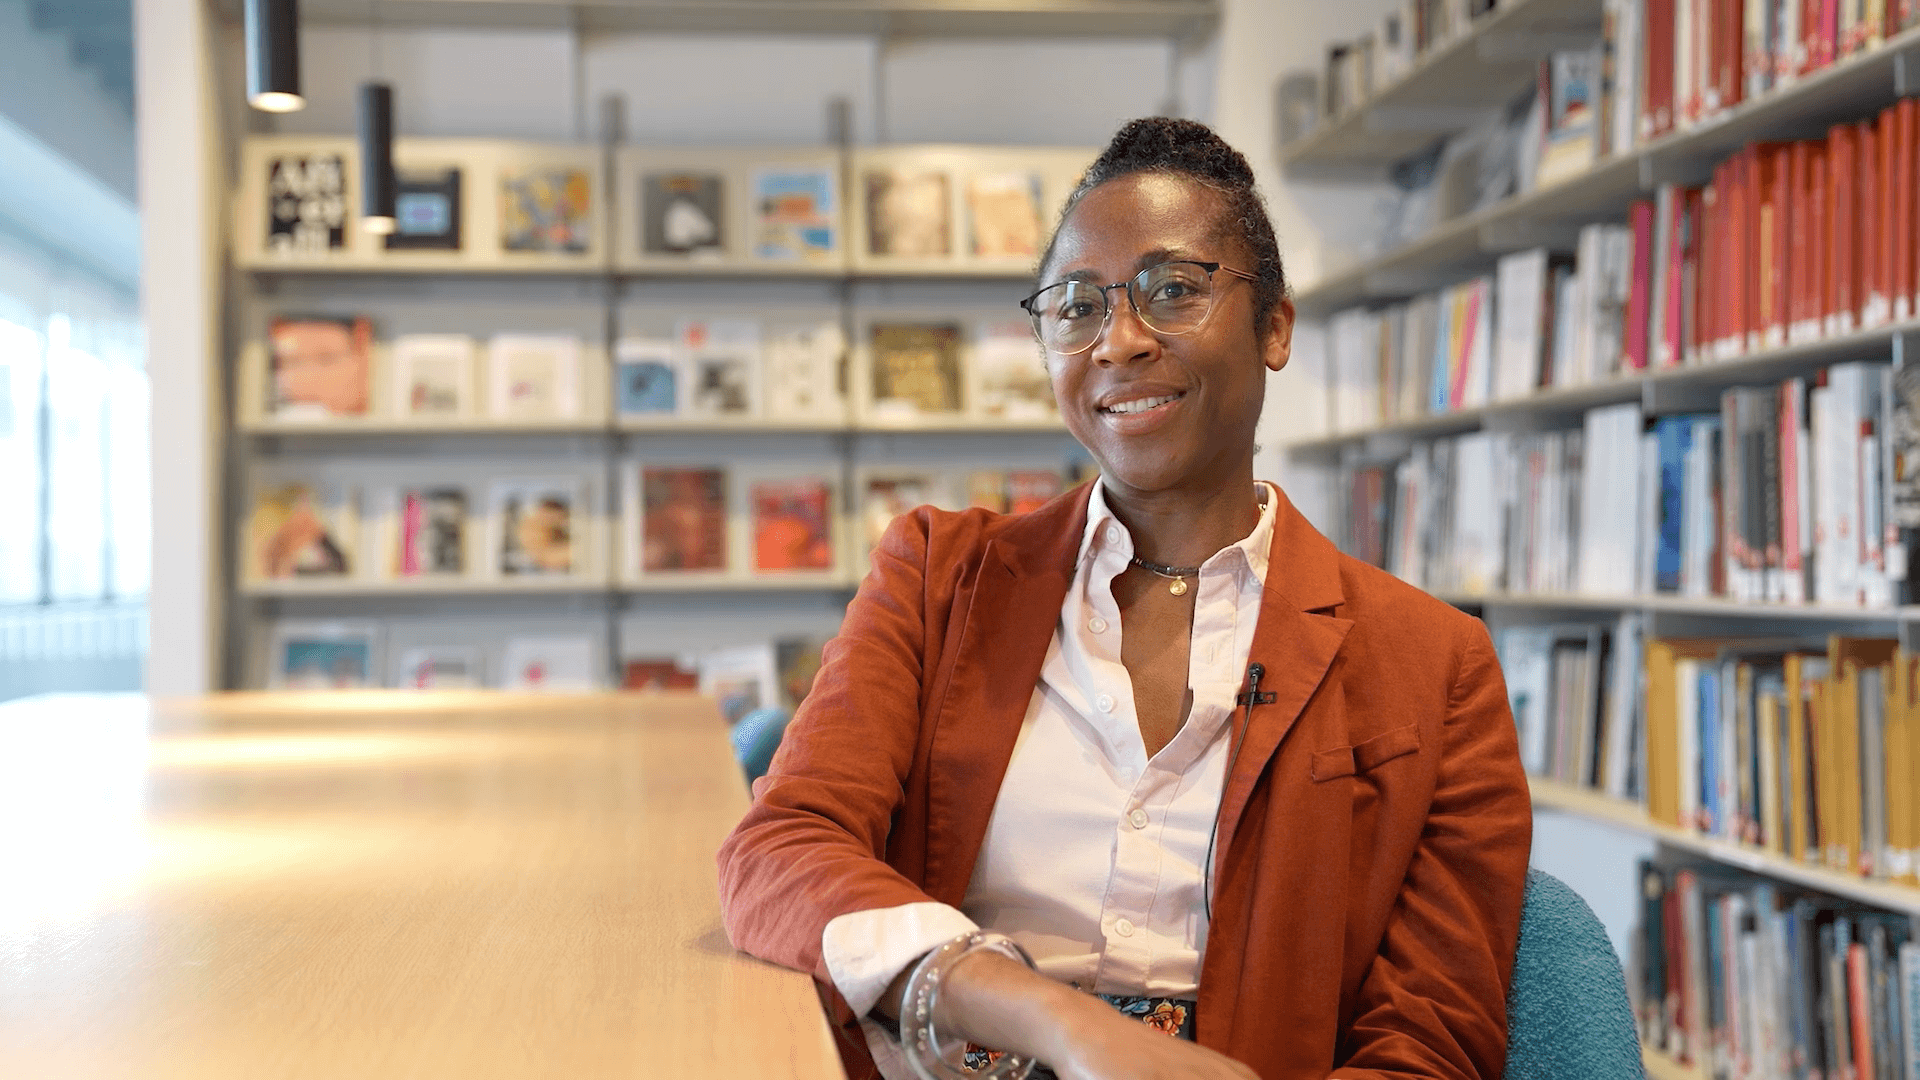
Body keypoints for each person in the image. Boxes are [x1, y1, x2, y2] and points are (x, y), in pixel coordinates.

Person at [717, 117, 1532, 1080]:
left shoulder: (1435, 664)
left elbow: (1432, 1037)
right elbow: (782, 849)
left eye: (1174, 291)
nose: (1120, 342)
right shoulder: (939, 576)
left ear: (1275, 325)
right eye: (1076, 307)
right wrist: (1060, 1023)